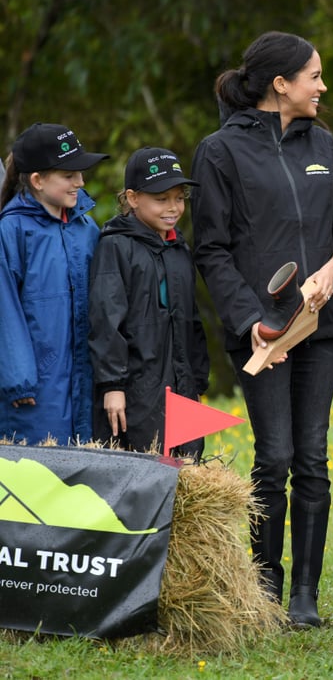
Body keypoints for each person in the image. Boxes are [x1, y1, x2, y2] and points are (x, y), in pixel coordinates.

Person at [191, 31, 333, 628]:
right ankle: (264, 587)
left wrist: (330, 274)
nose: (323, 86)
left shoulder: (324, 143)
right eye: (314, 75)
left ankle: (305, 597)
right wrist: (252, 321)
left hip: (322, 326)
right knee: (275, 458)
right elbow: (209, 249)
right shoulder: (219, 152)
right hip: (261, 334)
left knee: (313, 457)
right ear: (280, 84)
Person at [89, 147, 209, 458]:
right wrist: (112, 386)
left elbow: (192, 321)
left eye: (179, 198)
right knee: (143, 470)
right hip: (136, 390)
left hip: (181, 388)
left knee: (184, 469)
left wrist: (196, 380)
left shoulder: (179, 248)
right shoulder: (115, 247)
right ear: (132, 198)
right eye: (161, 199)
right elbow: (106, 321)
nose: (173, 208)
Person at [0, 123, 108, 445]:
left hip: (82, 385)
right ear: (37, 180)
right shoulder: (11, 230)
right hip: (34, 391)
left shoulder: (87, 229)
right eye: (69, 175)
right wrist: (18, 378)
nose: (81, 182)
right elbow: (4, 306)